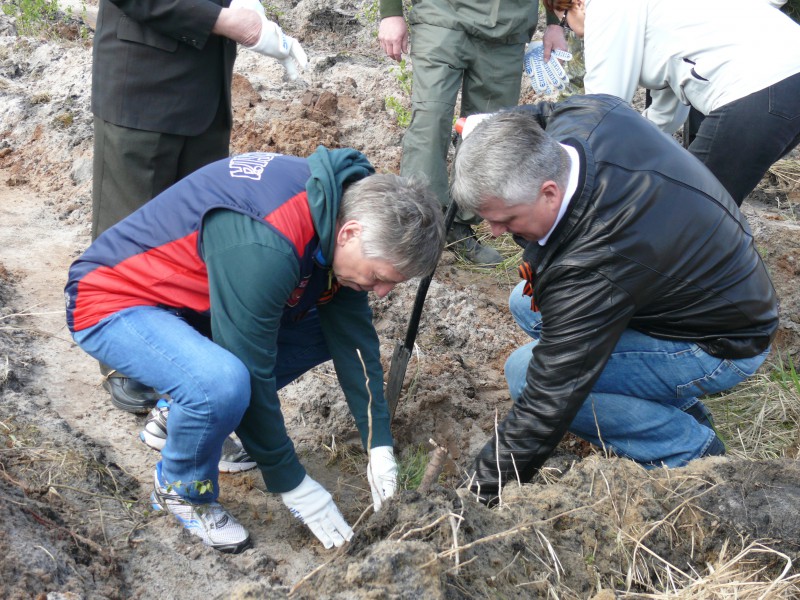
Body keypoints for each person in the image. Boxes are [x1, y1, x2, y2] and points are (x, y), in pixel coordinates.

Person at [65, 146, 445, 552]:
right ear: (350, 233)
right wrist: (292, 481)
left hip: (195, 303)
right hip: (115, 300)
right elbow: (252, 366)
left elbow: (351, 336)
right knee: (221, 385)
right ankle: (181, 488)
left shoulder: (341, 206)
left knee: (323, 332)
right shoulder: (270, 241)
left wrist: (378, 443)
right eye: (380, 277)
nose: (383, 292)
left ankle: (177, 420)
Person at [450, 95, 779, 504]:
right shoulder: (592, 118)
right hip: (707, 289)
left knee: (523, 372)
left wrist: (475, 496)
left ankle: (688, 450)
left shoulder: (596, 259)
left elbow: (550, 397)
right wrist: (494, 126)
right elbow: (546, 112)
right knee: (526, 301)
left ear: (549, 192)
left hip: (724, 343)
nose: (495, 231)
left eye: (506, 219)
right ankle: (676, 407)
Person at [90, 0, 308, 418]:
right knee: (130, 230)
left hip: (205, 95)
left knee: (197, 237)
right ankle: (123, 359)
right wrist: (223, 19)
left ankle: (180, 350)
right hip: (143, 89)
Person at [543, 0, 800, 206]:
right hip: (788, 75)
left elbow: (601, 107)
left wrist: (569, 172)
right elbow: (667, 114)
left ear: (576, 4)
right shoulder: (656, 15)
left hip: (757, 84)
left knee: (687, 208)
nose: (575, 33)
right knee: (710, 204)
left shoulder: (606, 7)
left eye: (565, 23)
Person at [377, 0, 568, 266]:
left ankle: (459, 227)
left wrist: (555, 21)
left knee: (489, 132)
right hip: (441, 15)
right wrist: (391, 13)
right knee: (431, 120)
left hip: (506, 26)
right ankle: (418, 226)